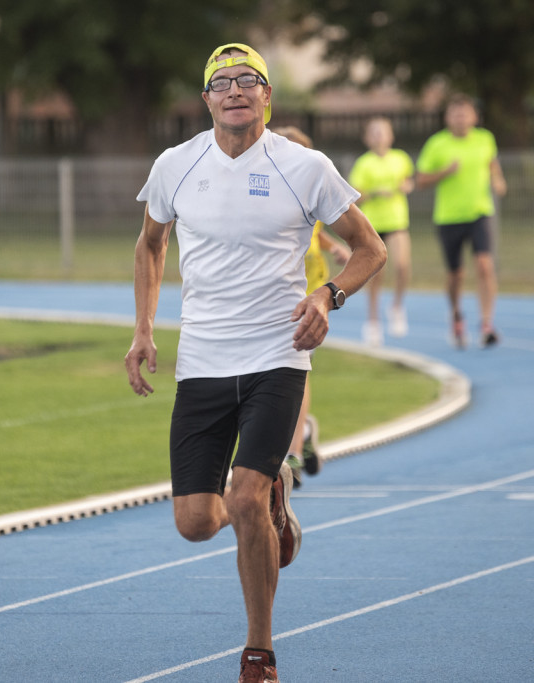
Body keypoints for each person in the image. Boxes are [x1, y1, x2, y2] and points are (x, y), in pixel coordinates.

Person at [124, 43, 386, 683]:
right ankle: (274, 500)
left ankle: (259, 651)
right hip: (203, 362)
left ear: (267, 95)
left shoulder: (305, 167)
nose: (235, 90)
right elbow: (151, 246)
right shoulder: (176, 165)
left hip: (278, 356)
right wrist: (142, 331)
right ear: (206, 98)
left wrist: (329, 295)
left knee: (241, 499)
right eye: (222, 82)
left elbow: (369, 248)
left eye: (249, 80)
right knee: (194, 523)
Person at [271, 126, 351, 487]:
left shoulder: (312, 190)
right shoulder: (265, 192)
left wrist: (334, 248)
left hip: (308, 299)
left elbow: (315, 227)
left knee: (296, 373)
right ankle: (303, 432)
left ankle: (292, 453)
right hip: (269, 302)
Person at [416, 94, 507, 348]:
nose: (461, 118)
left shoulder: (485, 139)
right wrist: (444, 172)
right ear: (447, 118)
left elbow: (492, 164)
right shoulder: (437, 144)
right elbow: (420, 180)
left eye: (465, 113)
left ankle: (487, 323)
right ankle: (456, 315)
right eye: (455, 114)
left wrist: (498, 180)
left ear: (474, 117)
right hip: (448, 217)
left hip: (480, 212)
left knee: (484, 264)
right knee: (456, 275)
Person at [348, 117, 414, 347]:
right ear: (367, 138)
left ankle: (396, 305)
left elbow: (408, 182)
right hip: (373, 224)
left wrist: (407, 186)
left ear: (391, 136)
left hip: (397, 221)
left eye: (382, 132)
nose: (378, 136)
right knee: (377, 275)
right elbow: (356, 195)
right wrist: (376, 193)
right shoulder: (363, 164)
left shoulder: (401, 159)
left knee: (403, 266)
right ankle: (373, 321)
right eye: (373, 132)